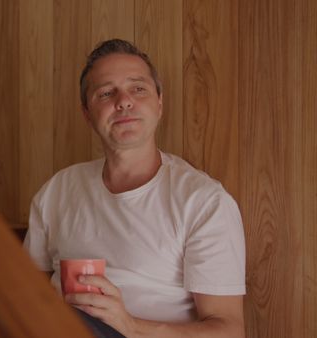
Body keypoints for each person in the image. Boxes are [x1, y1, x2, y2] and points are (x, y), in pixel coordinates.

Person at [23, 39, 246, 337]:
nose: (124, 101)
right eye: (106, 93)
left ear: (159, 103)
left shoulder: (203, 201)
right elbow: (25, 292)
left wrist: (129, 325)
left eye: (138, 88)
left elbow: (229, 331)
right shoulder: (58, 190)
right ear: (87, 114)